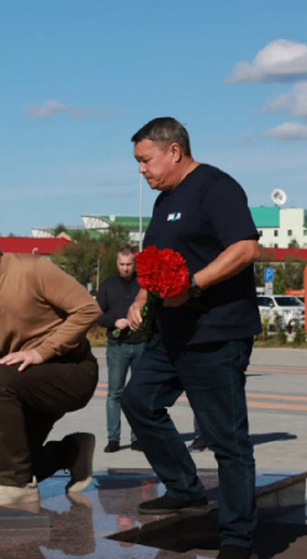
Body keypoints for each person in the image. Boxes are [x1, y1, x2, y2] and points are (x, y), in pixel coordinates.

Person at [121, 117, 261, 559]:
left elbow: (245, 248)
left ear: (174, 151)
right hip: (171, 333)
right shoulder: (164, 202)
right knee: (138, 400)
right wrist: (141, 297)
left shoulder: (216, 187)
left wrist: (194, 286)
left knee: (227, 440)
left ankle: (237, 538)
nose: (141, 170)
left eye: (146, 160)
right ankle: (185, 488)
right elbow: (154, 260)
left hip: (216, 332)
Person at [0, 204, 100, 507]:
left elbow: (89, 309)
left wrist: (42, 352)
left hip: (73, 371)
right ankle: (72, 452)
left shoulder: (33, 270)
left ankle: (20, 486)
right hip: (22, 382)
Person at [96, 247, 145, 453]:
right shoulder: (107, 286)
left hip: (141, 344)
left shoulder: (143, 285)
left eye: (129, 264)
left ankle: (137, 438)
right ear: (117, 264)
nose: (125, 268)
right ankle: (113, 438)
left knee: (138, 393)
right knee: (115, 393)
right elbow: (96, 315)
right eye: (122, 264)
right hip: (117, 346)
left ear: (134, 264)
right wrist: (114, 321)